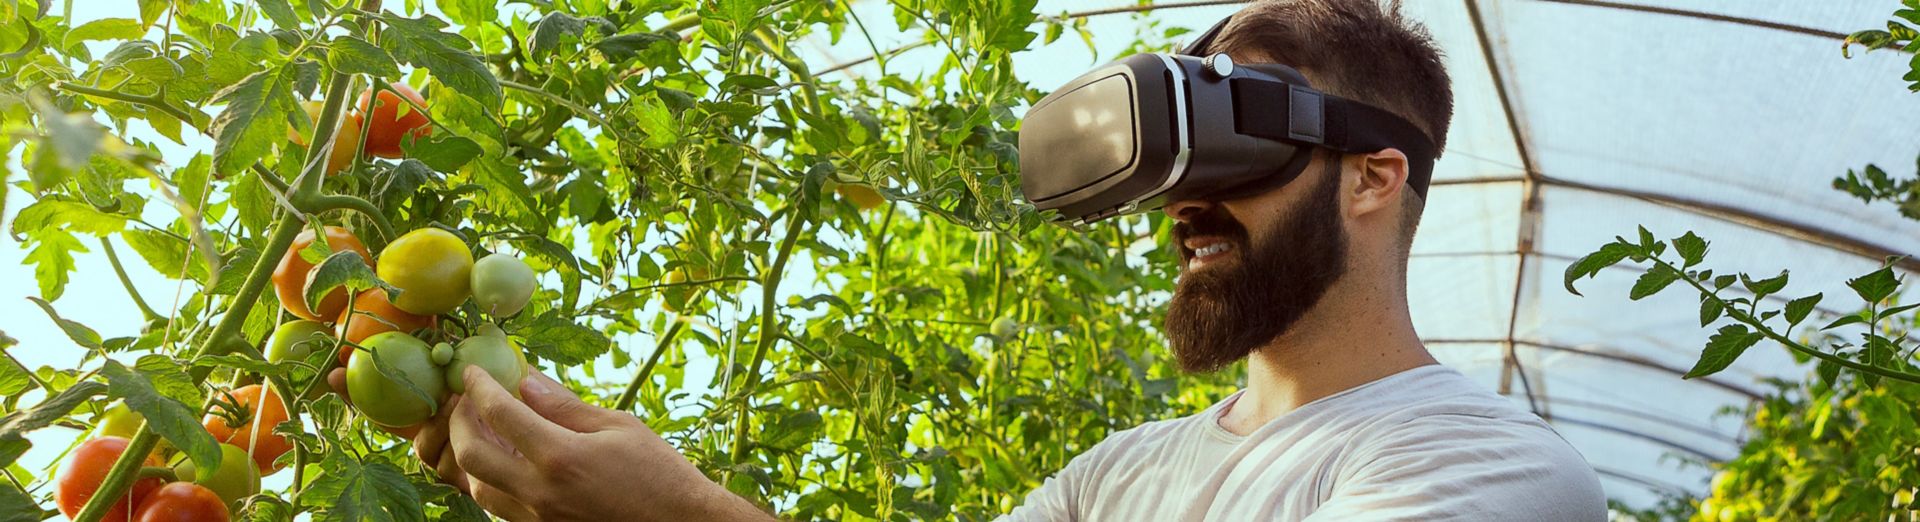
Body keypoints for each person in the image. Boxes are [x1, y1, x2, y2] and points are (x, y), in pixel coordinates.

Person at [331, 0, 1608, 519]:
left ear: (1375, 177)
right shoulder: (1122, 478)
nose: (1185, 209)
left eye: (1239, 145)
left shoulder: (1481, 470)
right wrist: (577, 463)